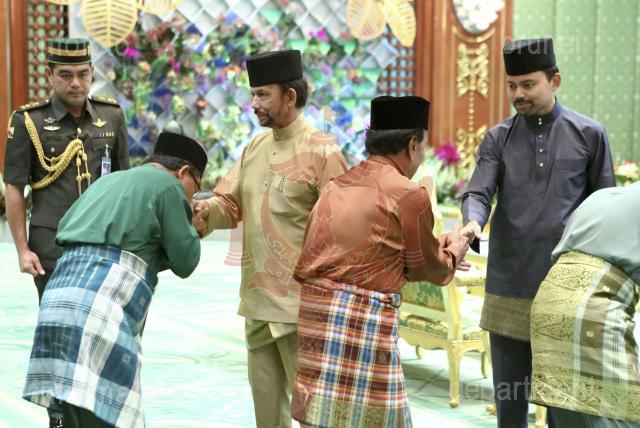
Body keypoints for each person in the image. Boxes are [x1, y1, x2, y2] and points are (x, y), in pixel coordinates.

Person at [460, 38, 616, 427]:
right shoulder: (498, 137)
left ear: (554, 81)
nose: (518, 94)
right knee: (510, 401)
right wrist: (472, 221)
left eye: (528, 84)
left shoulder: (589, 134)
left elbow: (605, 207)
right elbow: (479, 192)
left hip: (567, 286)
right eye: (512, 86)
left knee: (566, 405)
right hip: (509, 282)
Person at [291, 95, 470, 428]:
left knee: (321, 419)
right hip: (363, 324)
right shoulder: (409, 194)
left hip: (316, 317)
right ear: (412, 144)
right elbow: (427, 266)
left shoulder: (335, 186)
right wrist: (454, 251)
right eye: (424, 145)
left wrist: (438, 247)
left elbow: (372, 251)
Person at [192, 50, 347, 428]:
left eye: (263, 94)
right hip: (257, 303)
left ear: (289, 96)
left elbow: (341, 230)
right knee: (267, 414)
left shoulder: (323, 151)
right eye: (253, 94)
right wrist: (202, 212)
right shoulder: (254, 148)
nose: (254, 103)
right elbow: (230, 204)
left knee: (315, 415)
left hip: (303, 310)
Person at [22, 131, 206, 428]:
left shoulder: (107, 182)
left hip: (55, 306)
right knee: (108, 417)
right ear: (183, 172)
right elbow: (186, 261)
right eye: (195, 189)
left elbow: (86, 236)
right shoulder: (169, 186)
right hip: (97, 312)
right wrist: (193, 224)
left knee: (72, 417)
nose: (191, 198)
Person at [3, 38, 130, 302]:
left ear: (92, 72)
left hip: (103, 242)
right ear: (49, 74)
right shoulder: (29, 121)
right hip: (51, 247)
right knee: (57, 320)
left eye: (82, 74)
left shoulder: (112, 116)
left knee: (100, 319)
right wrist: (22, 250)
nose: (75, 82)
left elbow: (124, 184)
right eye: (65, 75)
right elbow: (14, 186)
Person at [529, 182, 640, 427]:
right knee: (618, 412)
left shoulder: (602, 196)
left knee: (569, 410)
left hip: (547, 307)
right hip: (593, 310)